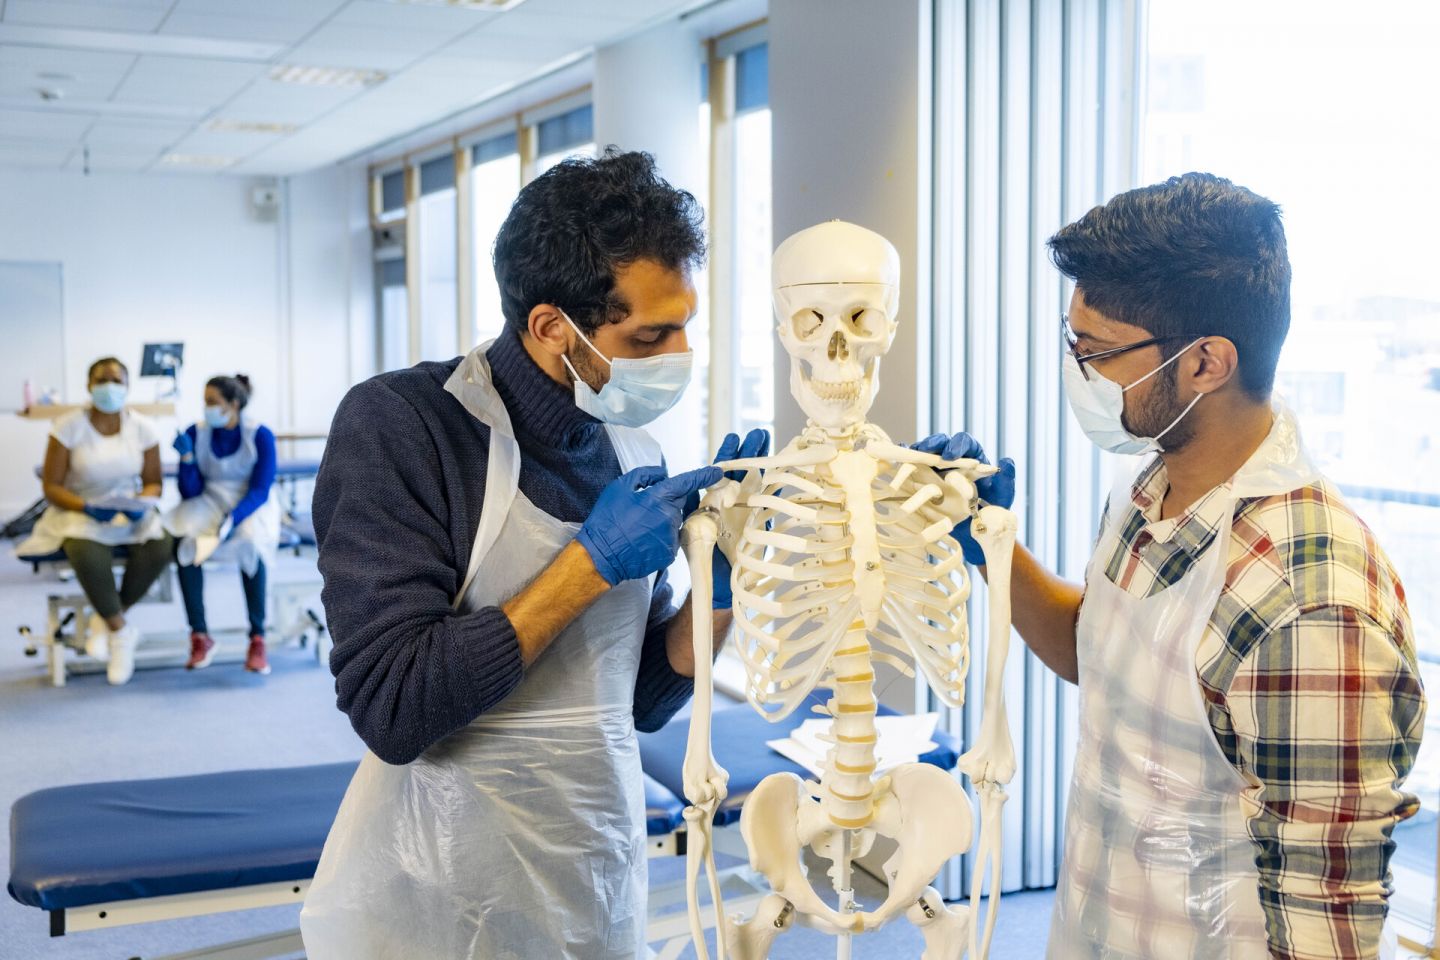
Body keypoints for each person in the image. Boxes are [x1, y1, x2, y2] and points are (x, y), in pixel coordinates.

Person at [921, 173, 1424, 959]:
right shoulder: (1150, 485)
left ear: (1206, 363)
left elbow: (1329, 917)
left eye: (1095, 353)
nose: (1077, 372)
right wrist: (987, 540)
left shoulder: (1310, 600)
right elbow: (1103, 656)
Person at [300, 149, 762, 960]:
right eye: (653, 334)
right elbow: (393, 706)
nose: (680, 353)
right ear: (553, 327)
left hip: (590, 865)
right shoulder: (403, 428)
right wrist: (591, 563)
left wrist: (718, 587)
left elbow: (640, 697)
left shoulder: (625, 446)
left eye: (687, 324)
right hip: (437, 879)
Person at [17, 356, 171, 685]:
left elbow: (155, 482)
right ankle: (121, 632)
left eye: (117, 381)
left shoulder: (143, 427)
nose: (110, 388)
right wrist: (86, 506)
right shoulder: (69, 426)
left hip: (126, 510)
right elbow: (52, 487)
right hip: (78, 509)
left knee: (160, 545)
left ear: (128, 386)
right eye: (102, 381)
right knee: (86, 550)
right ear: (89, 386)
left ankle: (105, 622)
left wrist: (141, 502)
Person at [162, 374, 280, 675]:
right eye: (205, 402)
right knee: (186, 543)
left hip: (250, 505)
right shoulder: (196, 432)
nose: (206, 408)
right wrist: (187, 459)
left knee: (252, 546)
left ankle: (257, 637)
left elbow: (260, 490)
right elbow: (190, 492)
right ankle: (199, 635)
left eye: (213, 402)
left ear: (234, 404)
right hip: (209, 500)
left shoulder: (260, 435)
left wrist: (233, 519)